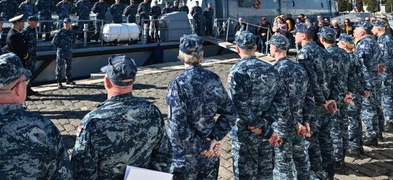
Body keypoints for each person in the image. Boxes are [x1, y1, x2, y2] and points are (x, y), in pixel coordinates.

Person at [71, 55, 172, 178]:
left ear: (107, 82)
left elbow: (81, 172)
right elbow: (164, 157)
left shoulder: (93, 122)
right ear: (134, 80)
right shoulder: (152, 112)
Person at [166, 34, 236, 179]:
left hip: (184, 159)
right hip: (209, 157)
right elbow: (230, 112)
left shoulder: (178, 84)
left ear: (181, 54)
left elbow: (177, 127)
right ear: (202, 54)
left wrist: (204, 145)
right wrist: (213, 140)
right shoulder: (213, 79)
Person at [229, 30, 287, 180]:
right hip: (265, 132)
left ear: (237, 49)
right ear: (255, 47)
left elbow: (240, 107)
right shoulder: (270, 68)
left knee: (245, 175)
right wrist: (266, 121)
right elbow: (282, 99)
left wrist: (259, 126)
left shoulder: (237, 72)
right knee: (266, 174)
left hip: (245, 134)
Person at [292, 23, 337, 179]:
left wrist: (322, 100)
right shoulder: (324, 51)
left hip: (315, 104)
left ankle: (317, 173)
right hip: (327, 101)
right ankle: (329, 170)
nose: (294, 36)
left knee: (312, 142)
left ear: (303, 35)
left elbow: (310, 81)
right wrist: (331, 97)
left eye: (296, 33)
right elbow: (332, 77)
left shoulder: (304, 53)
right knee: (326, 137)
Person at [268, 34, 314, 180]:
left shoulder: (276, 71)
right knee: (301, 160)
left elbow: (279, 104)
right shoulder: (299, 68)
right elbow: (309, 97)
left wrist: (296, 123)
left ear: (275, 47)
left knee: (283, 164)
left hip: (283, 125)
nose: (269, 48)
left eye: (270, 45)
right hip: (300, 123)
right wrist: (305, 121)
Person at [318, 26, 353, 173]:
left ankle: (337, 159)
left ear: (322, 39)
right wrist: (349, 92)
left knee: (333, 129)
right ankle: (343, 153)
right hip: (343, 95)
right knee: (343, 125)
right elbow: (351, 74)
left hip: (331, 97)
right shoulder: (344, 54)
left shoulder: (325, 55)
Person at [337, 34, 370, 157]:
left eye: (339, 43)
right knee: (355, 118)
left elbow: (353, 78)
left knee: (351, 120)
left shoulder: (347, 58)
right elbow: (361, 75)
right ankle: (358, 143)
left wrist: (353, 91)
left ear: (344, 45)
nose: (337, 45)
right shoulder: (355, 56)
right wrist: (363, 89)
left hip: (352, 92)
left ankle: (354, 146)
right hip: (357, 90)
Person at [353, 21, 385, 145]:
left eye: (356, 29)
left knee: (368, 107)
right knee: (377, 105)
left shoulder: (363, 44)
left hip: (367, 80)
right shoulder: (373, 42)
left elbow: (361, 64)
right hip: (375, 78)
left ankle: (372, 135)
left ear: (362, 31)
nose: (354, 32)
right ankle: (378, 130)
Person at [372, 19, 393, 131]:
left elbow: (385, 59)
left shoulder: (383, 40)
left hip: (385, 72)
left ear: (378, 28)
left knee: (386, 96)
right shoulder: (389, 38)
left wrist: (383, 69)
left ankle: (391, 121)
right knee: (392, 93)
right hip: (389, 71)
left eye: (373, 27)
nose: (372, 29)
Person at [52, 18, 75, 88]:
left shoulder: (72, 32)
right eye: (65, 23)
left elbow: (73, 40)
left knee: (69, 66)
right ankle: (59, 81)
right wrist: (60, 47)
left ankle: (68, 79)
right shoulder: (60, 32)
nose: (66, 24)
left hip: (69, 51)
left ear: (70, 24)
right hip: (61, 51)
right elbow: (54, 42)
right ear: (63, 24)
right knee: (59, 66)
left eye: (67, 23)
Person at [22, 15, 39, 96]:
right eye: (35, 21)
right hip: (27, 56)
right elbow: (22, 43)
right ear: (30, 22)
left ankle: (28, 88)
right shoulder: (25, 31)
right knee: (26, 73)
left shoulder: (34, 30)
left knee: (31, 72)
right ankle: (24, 91)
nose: (36, 23)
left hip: (33, 55)